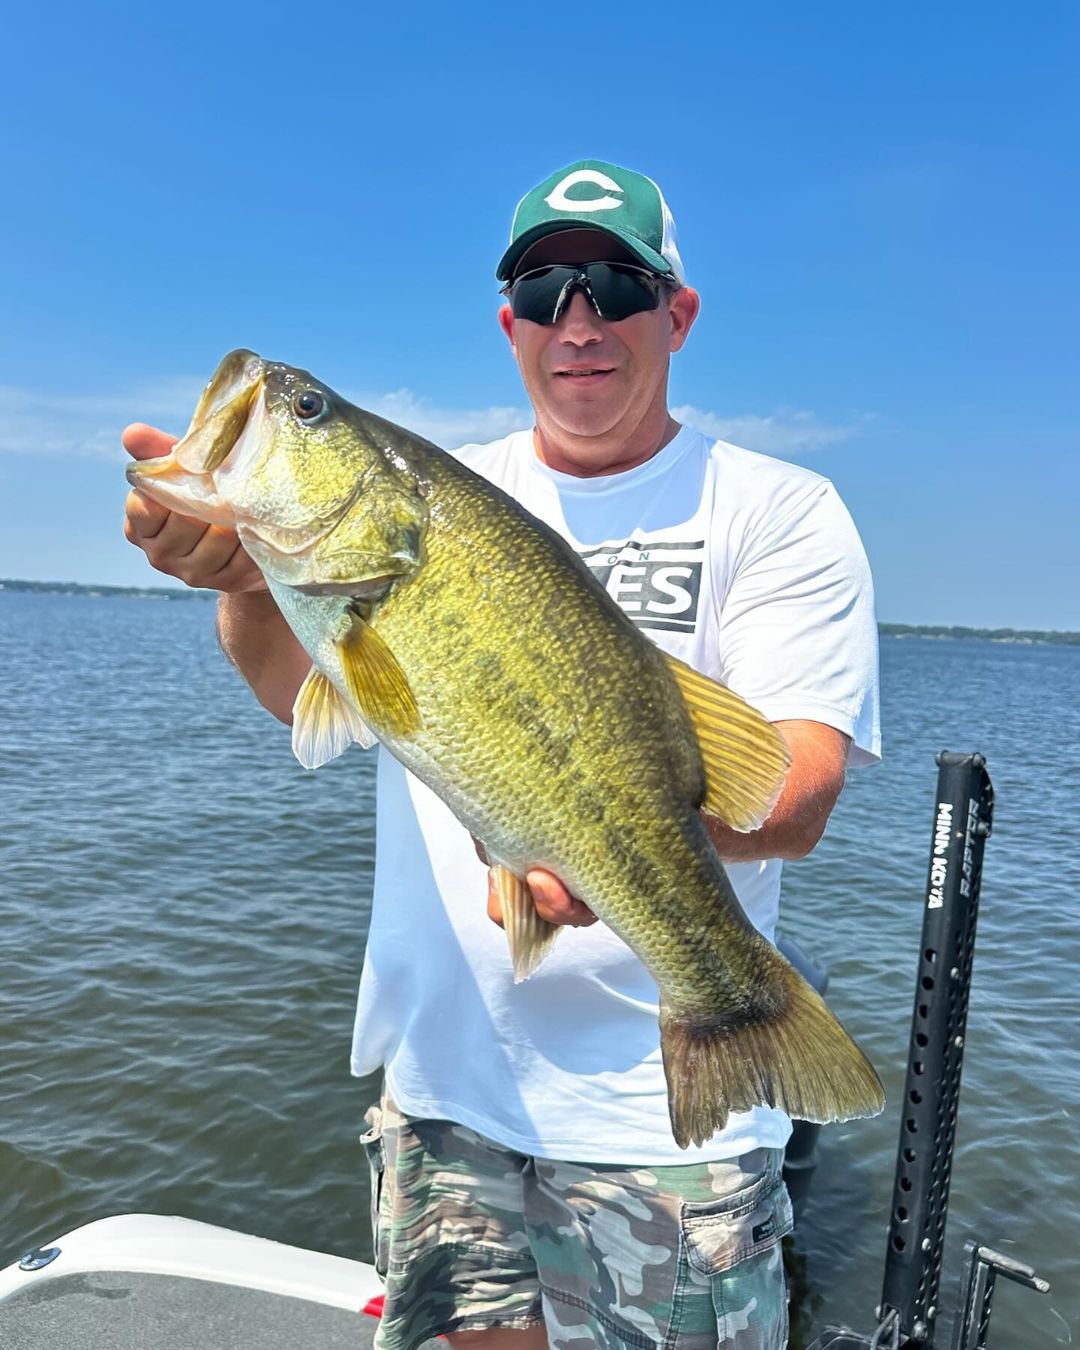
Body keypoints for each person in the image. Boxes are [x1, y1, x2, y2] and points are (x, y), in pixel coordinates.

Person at [123, 158, 880, 1350]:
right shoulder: (451, 486)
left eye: (613, 286)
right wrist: (244, 580)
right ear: (508, 325)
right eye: (542, 292)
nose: (576, 320)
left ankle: (732, 1011)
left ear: (676, 313)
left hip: (655, 1122)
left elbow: (793, 792)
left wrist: (587, 827)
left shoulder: (777, 509)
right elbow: (303, 701)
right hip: (444, 1097)